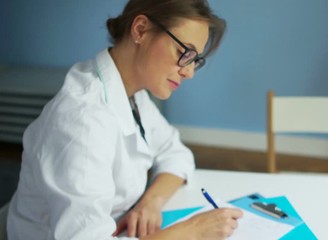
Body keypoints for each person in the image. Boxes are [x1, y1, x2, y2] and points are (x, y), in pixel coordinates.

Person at [7, 0, 243, 239]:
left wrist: (150, 202)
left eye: (195, 60)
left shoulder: (132, 92)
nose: (189, 72)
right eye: (184, 53)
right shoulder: (82, 121)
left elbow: (175, 153)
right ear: (140, 29)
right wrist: (192, 232)